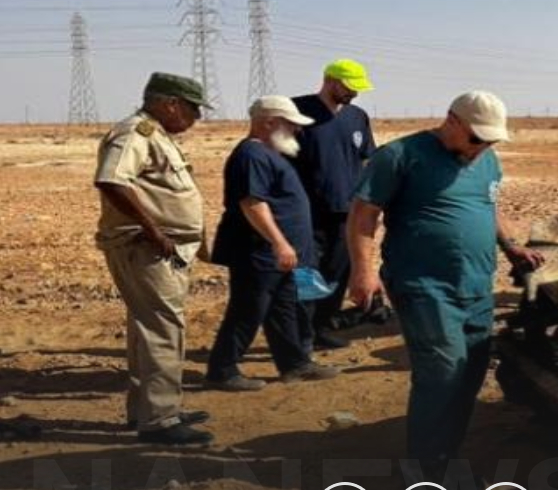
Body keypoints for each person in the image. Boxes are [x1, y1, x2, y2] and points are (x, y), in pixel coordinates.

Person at [346, 91, 545, 477]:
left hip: (476, 283)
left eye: (489, 141)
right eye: (476, 138)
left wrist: (513, 247)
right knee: (442, 371)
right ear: (452, 121)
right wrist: (363, 271)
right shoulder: (400, 156)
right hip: (423, 283)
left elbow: (489, 207)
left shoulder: (486, 160)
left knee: (470, 371)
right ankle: (425, 470)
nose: (481, 148)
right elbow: (363, 214)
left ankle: (445, 455)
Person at [93, 73, 213, 446]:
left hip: (158, 248)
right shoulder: (136, 134)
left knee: (148, 329)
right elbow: (112, 181)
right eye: (192, 109)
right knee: (163, 329)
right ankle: (161, 420)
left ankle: (150, 410)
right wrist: (153, 231)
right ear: (170, 103)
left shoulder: (157, 136)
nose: (196, 119)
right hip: (145, 248)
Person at [205, 97, 341, 391]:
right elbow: (252, 203)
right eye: (290, 124)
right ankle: (222, 369)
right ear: (268, 122)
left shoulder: (270, 153)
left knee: (283, 308)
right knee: (248, 310)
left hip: (279, 255)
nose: (297, 131)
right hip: (258, 251)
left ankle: (294, 364)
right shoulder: (251, 155)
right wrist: (279, 242)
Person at [290, 59, 377, 350]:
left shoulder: (357, 117)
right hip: (306, 213)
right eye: (350, 87)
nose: (354, 94)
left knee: (336, 274)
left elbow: (366, 159)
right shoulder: (297, 111)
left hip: (347, 213)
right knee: (305, 276)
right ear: (330, 80)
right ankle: (299, 337)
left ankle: (321, 328)